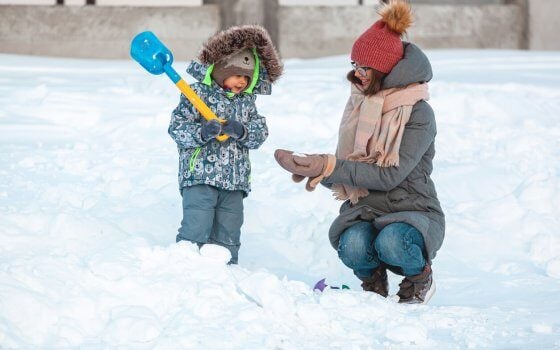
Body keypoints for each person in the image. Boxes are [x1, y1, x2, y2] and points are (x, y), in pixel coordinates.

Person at [274, 0, 444, 304]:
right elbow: (353, 168)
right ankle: (374, 284)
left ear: (385, 68)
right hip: (367, 209)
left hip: (412, 210)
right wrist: (316, 169)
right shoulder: (362, 105)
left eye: (365, 67)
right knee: (352, 243)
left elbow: (390, 175)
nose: (358, 74)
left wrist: (328, 166)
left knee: (393, 240)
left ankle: (420, 277)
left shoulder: (418, 113)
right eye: (355, 66)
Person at [168, 25, 283, 264]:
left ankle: (227, 273)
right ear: (221, 70)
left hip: (234, 181)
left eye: (246, 77)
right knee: (196, 226)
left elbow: (260, 133)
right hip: (199, 176)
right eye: (237, 74)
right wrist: (202, 132)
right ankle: (185, 267)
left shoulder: (247, 102)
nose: (242, 81)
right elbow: (177, 128)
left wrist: (241, 131)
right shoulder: (195, 94)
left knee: (229, 232)